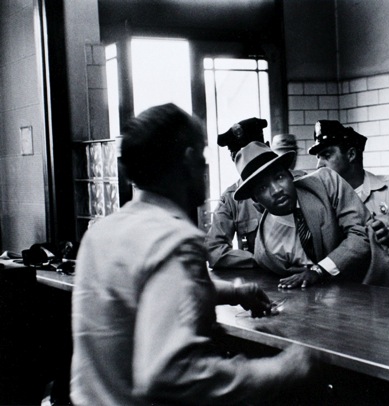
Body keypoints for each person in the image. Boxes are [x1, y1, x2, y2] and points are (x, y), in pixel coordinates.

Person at [71, 104, 312, 405]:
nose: (206, 167)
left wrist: (234, 292)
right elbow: (168, 374)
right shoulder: (172, 240)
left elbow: (146, 293)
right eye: (203, 155)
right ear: (188, 160)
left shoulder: (102, 232)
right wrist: (282, 369)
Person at [233, 141, 389, 289]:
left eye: (280, 177)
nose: (276, 190)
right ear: (255, 199)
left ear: (291, 176)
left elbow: (361, 235)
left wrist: (318, 271)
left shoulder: (325, 182)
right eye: (263, 188)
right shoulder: (266, 252)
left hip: (372, 286)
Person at [308, 120, 389, 286]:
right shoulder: (323, 204)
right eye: (318, 158)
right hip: (357, 292)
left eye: (327, 156)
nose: (319, 165)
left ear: (351, 155)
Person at [206, 118, 268, 268]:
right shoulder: (231, 198)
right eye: (237, 157)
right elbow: (214, 251)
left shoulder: (295, 183)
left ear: (267, 148)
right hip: (262, 281)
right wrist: (261, 260)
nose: (244, 163)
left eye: (251, 154)